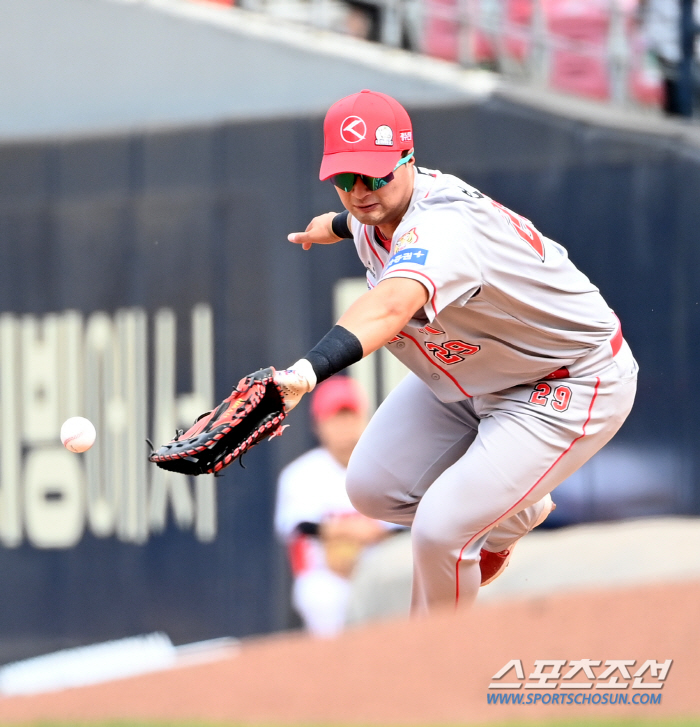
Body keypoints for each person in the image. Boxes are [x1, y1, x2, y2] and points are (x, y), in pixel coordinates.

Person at [267, 89, 638, 615]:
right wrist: (332, 225)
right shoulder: (374, 212)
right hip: (481, 372)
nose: (360, 190)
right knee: (372, 489)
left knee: (443, 528)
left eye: (374, 175)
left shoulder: (443, 226)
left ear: (408, 160)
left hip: (566, 379)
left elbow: (391, 306)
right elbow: (361, 215)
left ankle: (436, 679)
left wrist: (308, 371)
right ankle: (513, 509)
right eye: (345, 179)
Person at [275, 376, 387, 636]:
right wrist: (346, 531)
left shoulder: (386, 469)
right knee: (323, 597)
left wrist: (370, 532)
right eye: (336, 418)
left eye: (351, 416)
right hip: (325, 578)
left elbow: (405, 527)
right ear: (318, 425)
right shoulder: (300, 474)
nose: (345, 426)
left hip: (379, 574)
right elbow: (295, 526)